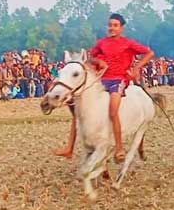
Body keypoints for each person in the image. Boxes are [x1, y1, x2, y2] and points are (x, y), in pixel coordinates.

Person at [54, 13, 154, 163]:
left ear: (121, 28)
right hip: (101, 80)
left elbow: (149, 53)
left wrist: (136, 68)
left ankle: (119, 148)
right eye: (110, 25)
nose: (111, 28)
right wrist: (98, 62)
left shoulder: (128, 43)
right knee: (78, 110)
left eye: (115, 25)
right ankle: (69, 148)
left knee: (113, 110)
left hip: (118, 80)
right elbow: (89, 58)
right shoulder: (102, 43)